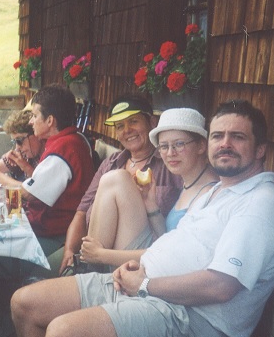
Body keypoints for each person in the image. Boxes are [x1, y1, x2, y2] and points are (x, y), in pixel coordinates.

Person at [10, 100, 274, 337]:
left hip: (196, 320)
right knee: (25, 305)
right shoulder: (218, 191)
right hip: (146, 285)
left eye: (238, 137)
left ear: (260, 148)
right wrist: (140, 263)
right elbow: (180, 244)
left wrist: (145, 284)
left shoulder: (259, 205)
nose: (225, 144)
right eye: (218, 136)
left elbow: (221, 287)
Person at [77, 108, 219, 272]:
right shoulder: (190, 183)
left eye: (179, 144)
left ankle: (91, 270)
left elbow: (172, 255)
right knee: (116, 178)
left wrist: (101, 255)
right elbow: (165, 237)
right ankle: (90, 270)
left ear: (202, 145)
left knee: (116, 179)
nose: (170, 153)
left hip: (160, 275)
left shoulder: (209, 194)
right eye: (164, 146)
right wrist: (150, 204)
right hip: (153, 257)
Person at [0, 85, 94, 278]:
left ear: (49, 121)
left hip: (57, 235)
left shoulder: (64, 149)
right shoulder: (65, 142)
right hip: (50, 228)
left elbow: (28, 192)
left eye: (34, 116)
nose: (31, 121)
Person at [57, 95, 182, 274]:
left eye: (133, 121)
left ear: (152, 122)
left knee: (116, 179)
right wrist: (69, 250)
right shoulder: (111, 162)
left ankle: (88, 273)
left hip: (139, 258)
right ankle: (85, 271)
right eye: (120, 126)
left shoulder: (168, 162)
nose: (127, 130)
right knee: (40, 274)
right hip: (92, 252)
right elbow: (82, 211)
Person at [0, 109, 43, 182]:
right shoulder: (23, 154)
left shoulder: (49, 156)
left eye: (19, 141)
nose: (17, 148)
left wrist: (25, 166)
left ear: (35, 133)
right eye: (14, 142)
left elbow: (40, 186)